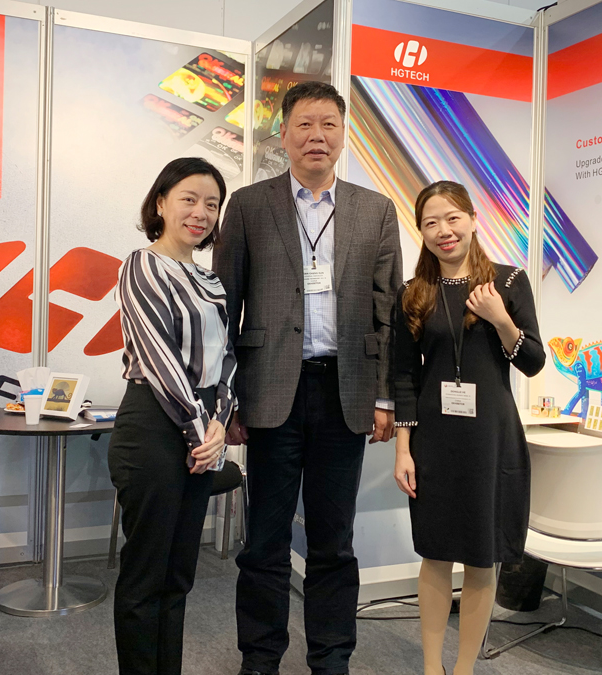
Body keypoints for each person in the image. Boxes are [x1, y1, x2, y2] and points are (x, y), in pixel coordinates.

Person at [213, 80, 402, 675]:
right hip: (271, 391)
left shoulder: (375, 209)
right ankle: (260, 659)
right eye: (304, 124)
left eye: (328, 124)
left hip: (345, 393)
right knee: (264, 540)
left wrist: (385, 396)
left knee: (334, 541)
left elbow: (388, 310)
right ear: (283, 133)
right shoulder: (248, 205)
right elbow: (224, 307)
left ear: (343, 134)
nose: (317, 136)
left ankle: (331, 658)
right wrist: (226, 401)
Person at [392, 181, 545, 675]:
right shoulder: (413, 293)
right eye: (431, 222)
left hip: (490, 441)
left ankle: (463, 669)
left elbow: (533, 362)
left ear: (473, 220)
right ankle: (431, 667)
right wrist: (403, 449)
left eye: (453, 218)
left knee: (482, 557)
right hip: (434, 442)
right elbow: (404, 376)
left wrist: (501, 320)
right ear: (422, 231)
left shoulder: (508, 281)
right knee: (435, 554)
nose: (444, 230)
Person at [108, 157, 237, 675]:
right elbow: (159, 359)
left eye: (212, 204)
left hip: (200, 430)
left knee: (179, 575)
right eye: (189, 199)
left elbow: (227, 359)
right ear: (161, 203)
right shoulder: (142, 265)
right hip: (154, 428)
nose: (200, 212)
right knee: (146, 575)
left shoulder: (212, 281)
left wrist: (220, 421)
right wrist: (200, 430)